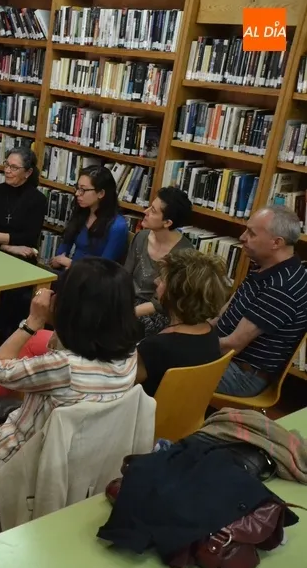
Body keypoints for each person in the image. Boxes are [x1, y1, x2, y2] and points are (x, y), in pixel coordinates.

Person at [0, 257, 142, 539]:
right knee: (0, 409)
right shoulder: (129, 354)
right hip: (84, 462)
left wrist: (33, 321)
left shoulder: (62, 366)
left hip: (24, 458)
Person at [211, 205, 307, 397]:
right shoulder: (265, 265)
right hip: (227, 358)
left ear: (276, 242)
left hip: (242, 373)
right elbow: (225, 312)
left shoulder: (282, 287)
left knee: (160, 365)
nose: (242, 237)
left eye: (251, 233)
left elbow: (233, 344)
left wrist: (189, 345)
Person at [0, 146, 47, 339]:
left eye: (14, 167)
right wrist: (8, 244)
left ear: (28, 172)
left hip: (20, 255)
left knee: (21, 283)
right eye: (6, 165)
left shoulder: (37, 200)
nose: (8, 170)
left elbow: (30, 237)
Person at [135, 249, 229, 397]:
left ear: (176, 292)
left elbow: (122, 384)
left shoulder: (157, 347)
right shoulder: (209, 333)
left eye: (162, 279)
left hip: (148, 417)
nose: (156, 281)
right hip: (184, 415)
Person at [124, 187, 195, 336]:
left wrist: (128, 312)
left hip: (159, 313)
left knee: (118, 326)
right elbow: (125, 276)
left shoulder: (184, 253)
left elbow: (165, 302)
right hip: (129, 301)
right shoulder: (141, 237)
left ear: (167, 222)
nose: (146, 212)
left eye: (153, 211)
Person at [49, 165, 128, 270]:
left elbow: (104, 269)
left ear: (101, 193)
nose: (77, 193)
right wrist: (57, 261)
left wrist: (71, 264)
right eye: (77, 188)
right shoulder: (82, 212)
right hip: (71, 274)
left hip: (94, 282)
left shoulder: (118, 226)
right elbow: (61, 253)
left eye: (83, 190)